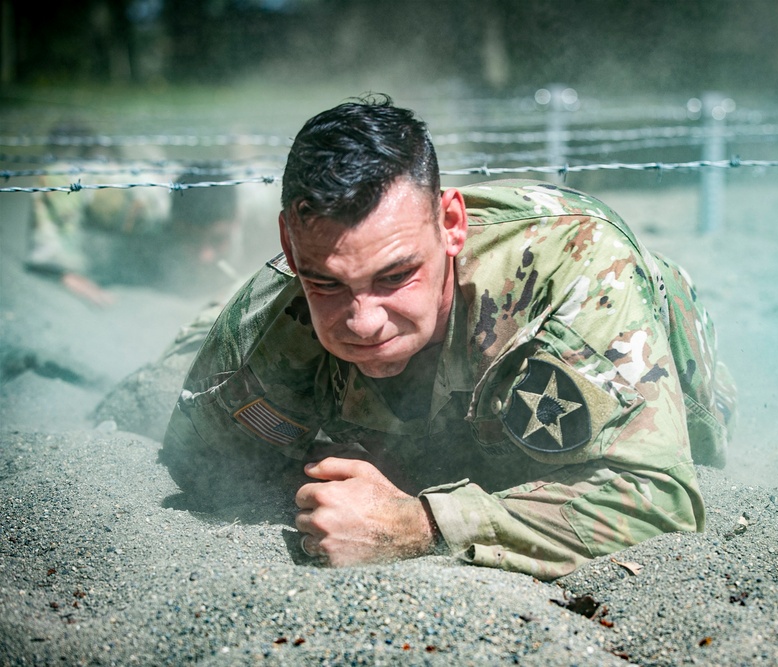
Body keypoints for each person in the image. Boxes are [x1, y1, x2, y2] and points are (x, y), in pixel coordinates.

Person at [160, 95, 736, 580]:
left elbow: (660, 501)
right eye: (327, 283)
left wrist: (420, 524)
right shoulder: (283, 301)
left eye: (395, 276)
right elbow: (198, 453)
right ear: (289, 247)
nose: (363, 320)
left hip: (649, 362)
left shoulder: (581, 271)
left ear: (452, 225)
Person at [25, 128, 240, 305]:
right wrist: (63, 268)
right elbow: (57, 176)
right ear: (173, 220)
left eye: (218, 239)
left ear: (236, 219)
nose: (206, 256)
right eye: (192, 239)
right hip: (133, 170)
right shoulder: (138, 205)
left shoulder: (255, 200)